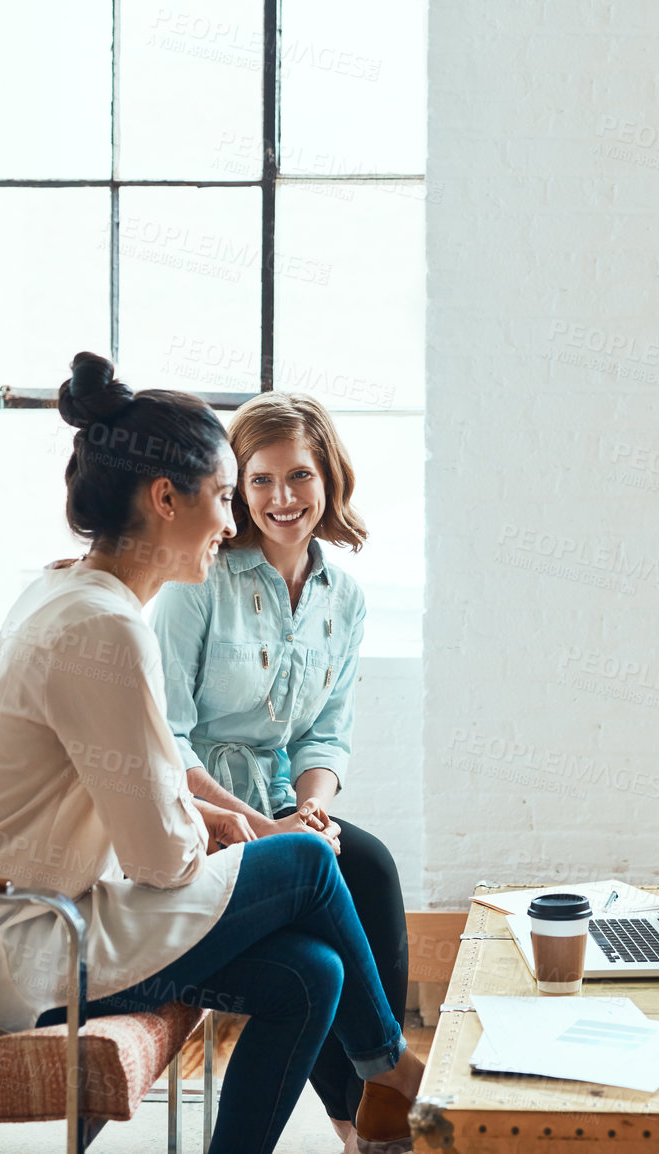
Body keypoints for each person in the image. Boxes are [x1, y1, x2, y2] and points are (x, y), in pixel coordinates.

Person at [0, 353, 423, 1154]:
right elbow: (160, 860)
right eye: (223, 496)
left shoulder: (76, 596)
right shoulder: (104, 627)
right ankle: (391, 1068)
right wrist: (232, 830)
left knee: (309, 974)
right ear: (165, 498)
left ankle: (374, 1074)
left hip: (24, 923)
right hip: (7, 952)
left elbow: (135, 800)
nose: (229, 520)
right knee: (313, 864)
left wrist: (210, 817)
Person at [151, 391, 408, 1148]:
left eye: (298, 477)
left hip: (282, 808)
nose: (280, 499)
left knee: (369, 867)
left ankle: (365, 1116)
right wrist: (267, 828)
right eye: (258, 481)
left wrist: (313, 811)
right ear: (234, 488)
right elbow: (167, 741)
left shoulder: (345, 597)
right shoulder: (198, 582)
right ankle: (365, 1112)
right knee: (334, 902)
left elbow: (326, 735)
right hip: (204, 813)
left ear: (327, 477)